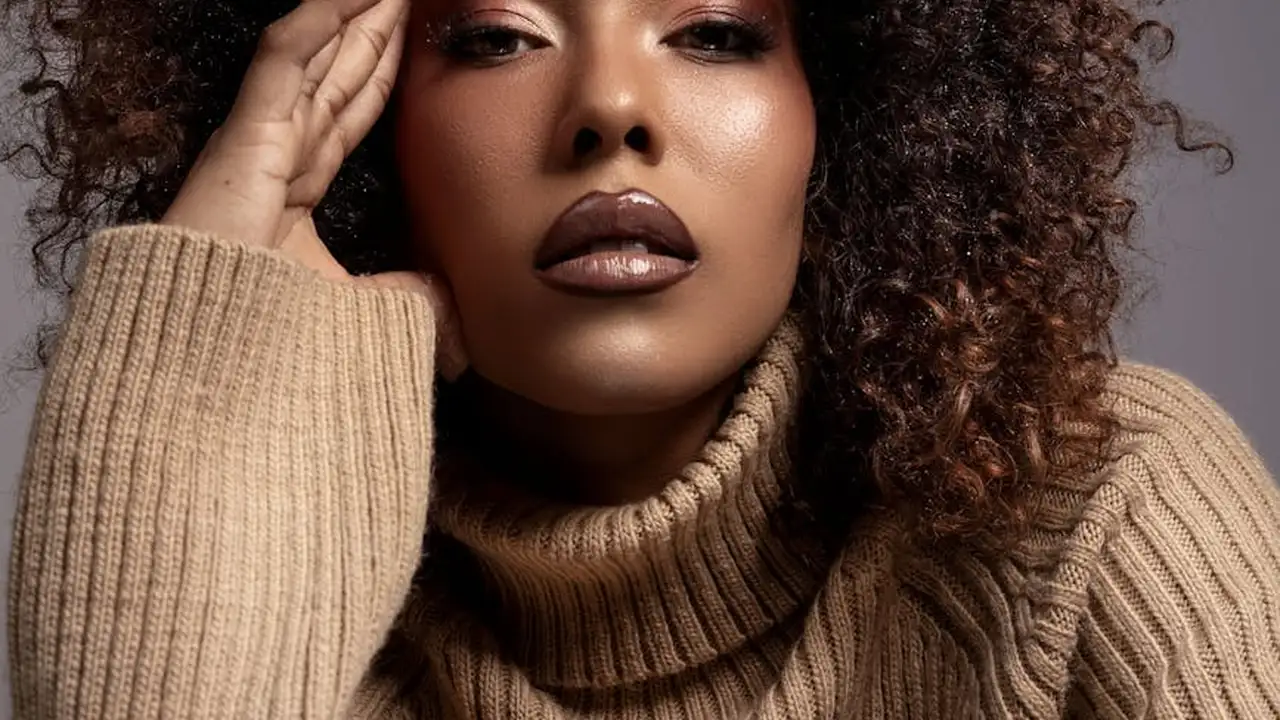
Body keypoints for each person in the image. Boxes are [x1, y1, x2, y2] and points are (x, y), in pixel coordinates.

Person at [4, 0, 1278, 716]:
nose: (609, 107)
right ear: (372, 122)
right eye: (497, 36)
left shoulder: (1096, 502)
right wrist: (213, 376)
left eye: (713, 31)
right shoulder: (303, 636)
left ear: (852, 125)